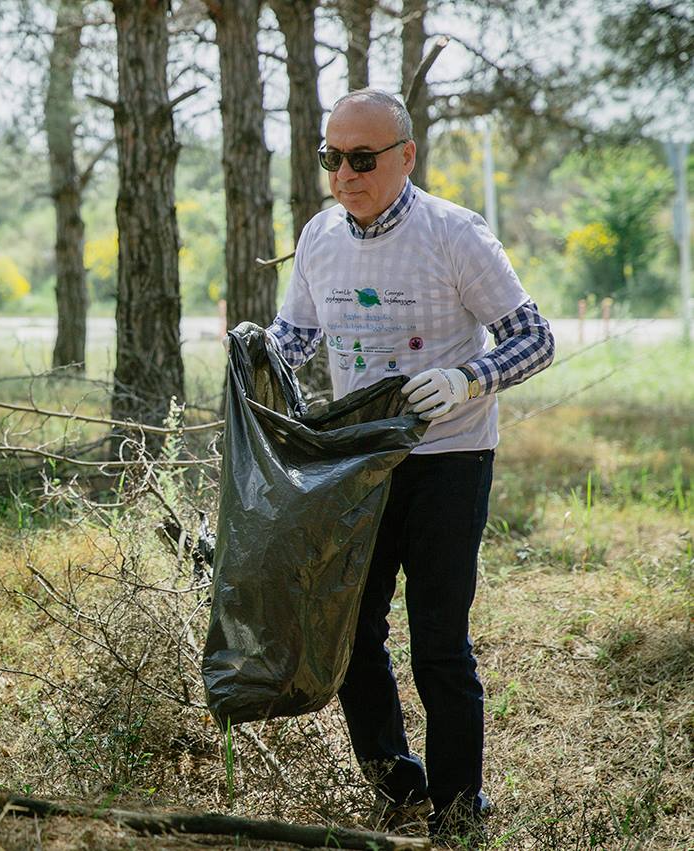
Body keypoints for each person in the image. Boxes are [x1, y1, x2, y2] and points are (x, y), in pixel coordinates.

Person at [252, 89, 555, 841]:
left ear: (406, 156)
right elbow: (297, 339)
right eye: (331, 157)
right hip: (362, 463)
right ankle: (397, 785)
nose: (344, 175)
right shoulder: (320, 236)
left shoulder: (454, 233)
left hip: (451, 457)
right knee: (353, 629)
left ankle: (457, 807)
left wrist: (468, 379)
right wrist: (253, 352)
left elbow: (535, 338)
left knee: (438, 641)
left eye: (362, 158)